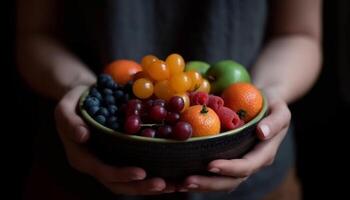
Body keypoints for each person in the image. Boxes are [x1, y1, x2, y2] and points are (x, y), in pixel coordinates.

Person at [16, 0, 321, 199]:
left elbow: (299, 33)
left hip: (259, 185)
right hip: (79, 178)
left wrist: (269, 94)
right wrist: (80, 88)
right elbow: (36, 34)